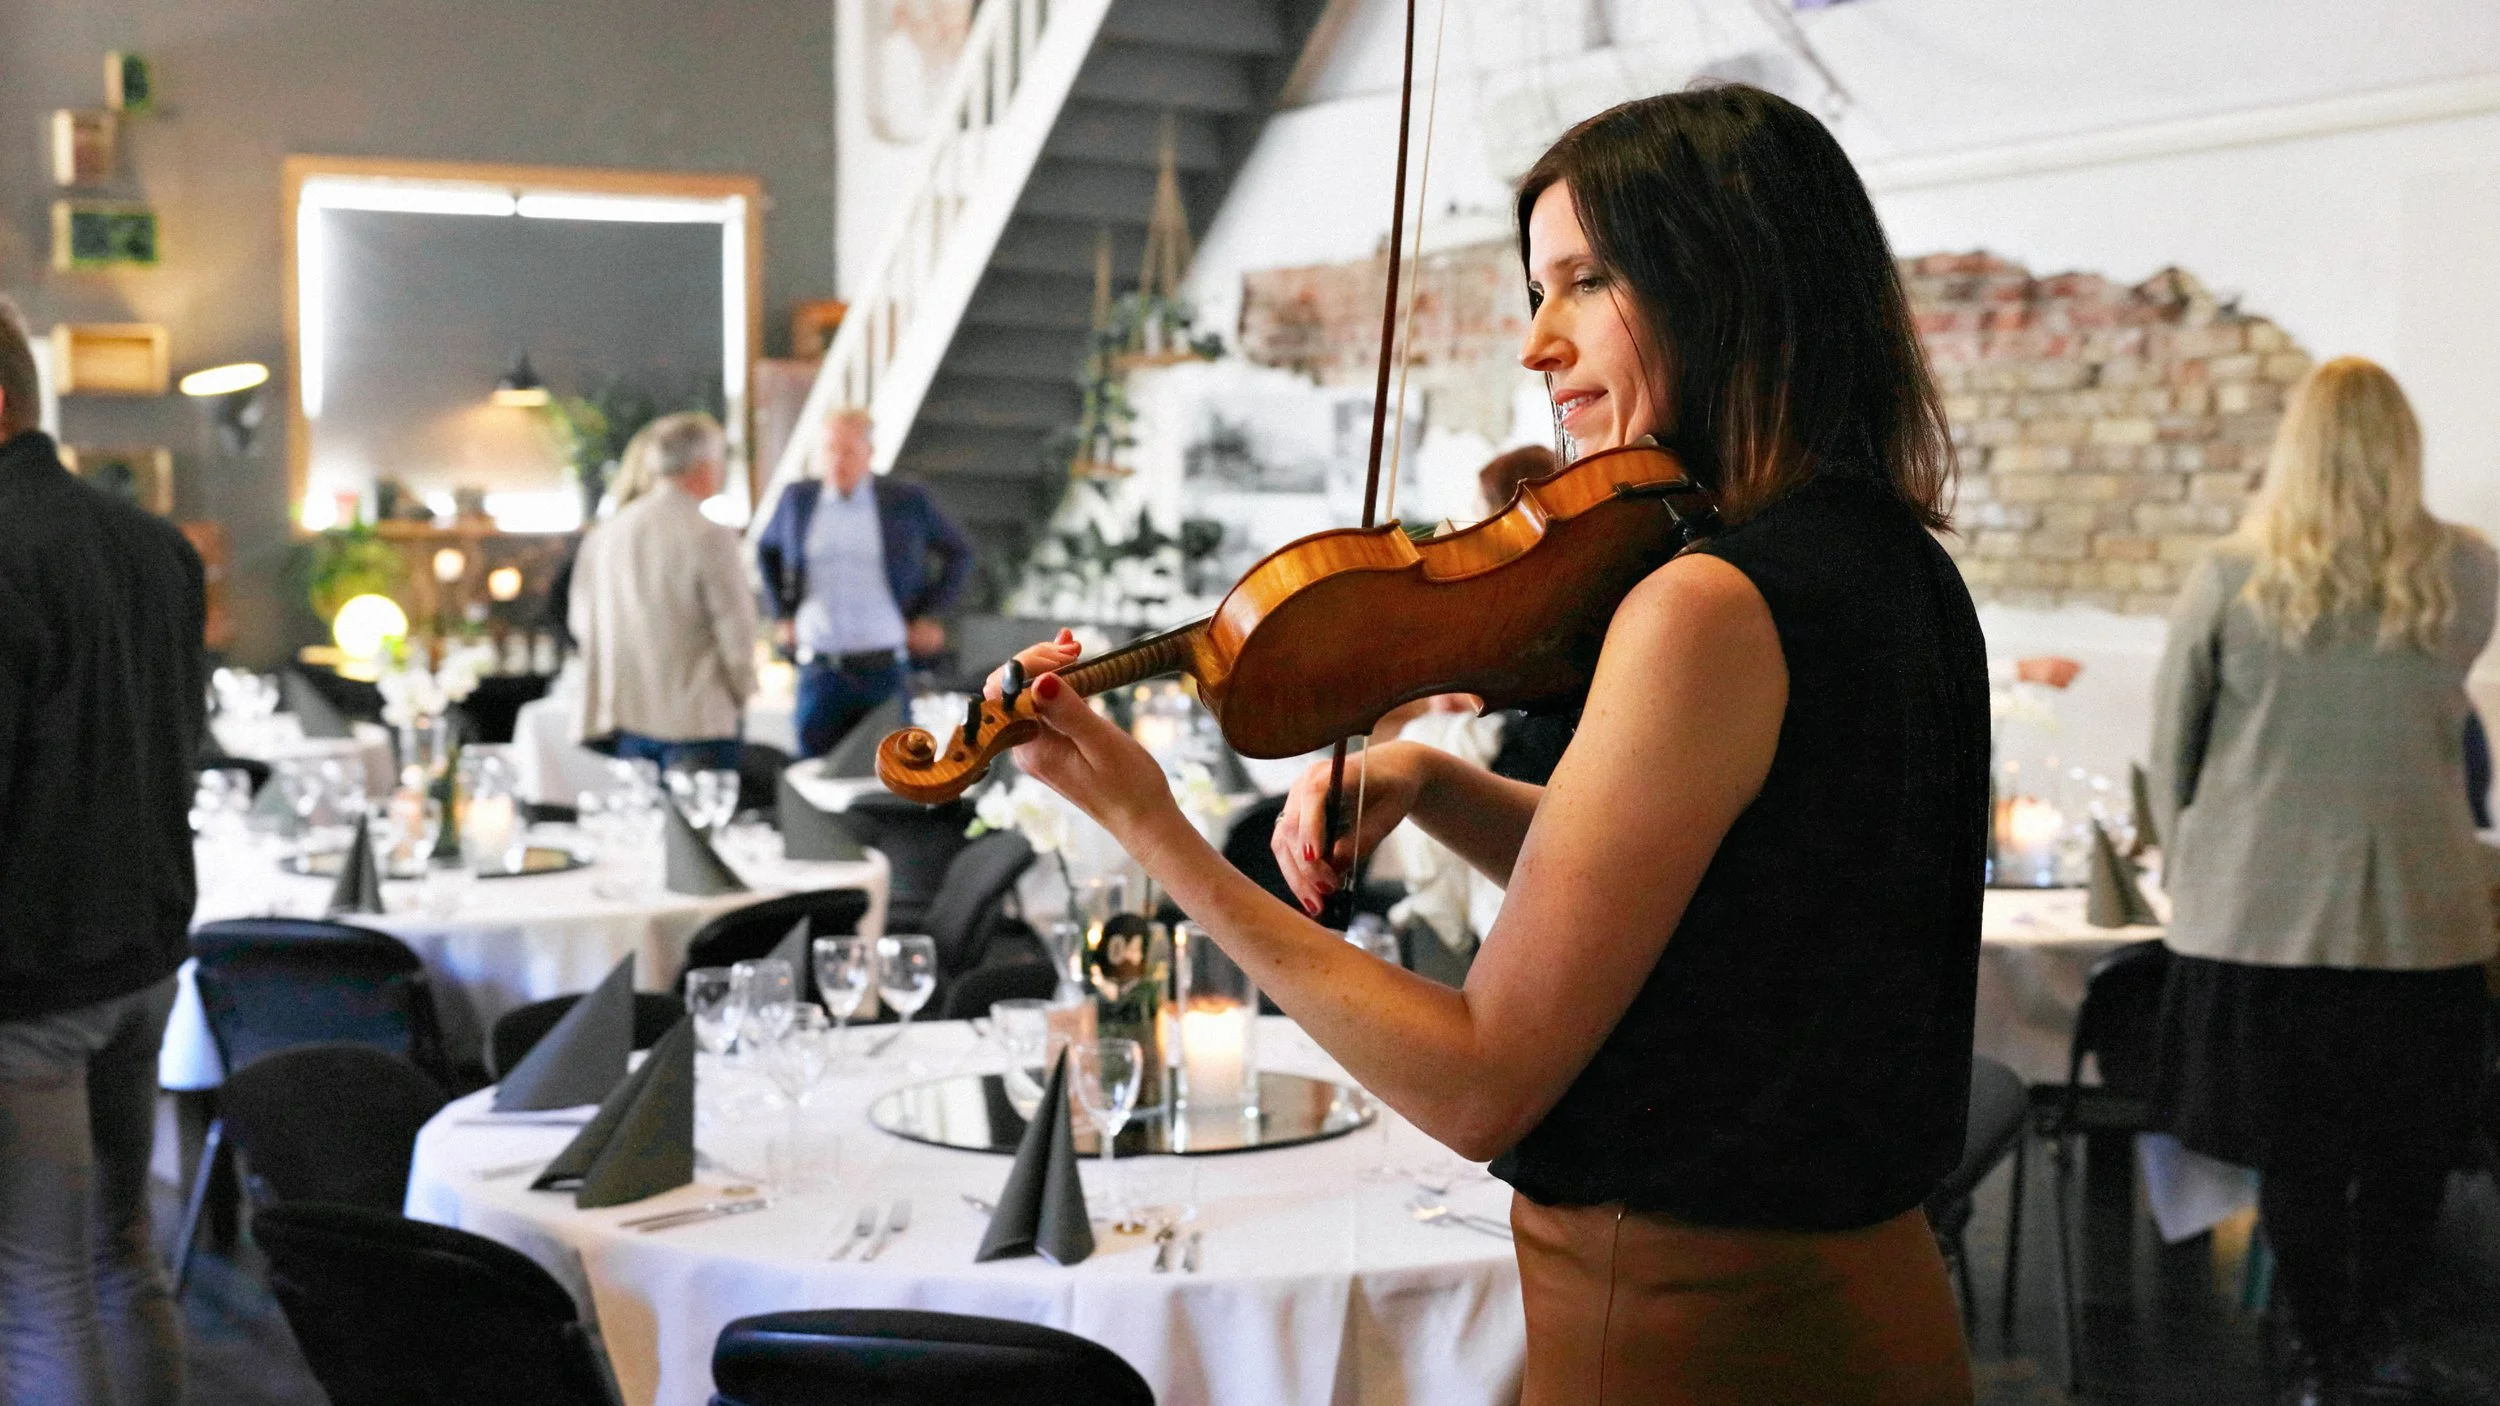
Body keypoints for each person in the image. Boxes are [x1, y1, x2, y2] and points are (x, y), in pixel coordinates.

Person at [996, 87, 1985, 1403]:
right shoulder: (1893, 567)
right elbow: (1733, 897)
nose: (1538, 344)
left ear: (1729, 281)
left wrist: (1154, 831)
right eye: (1537, 289)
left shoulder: (1705, 603)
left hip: (1691, 1328)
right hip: (1873, 1305)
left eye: (1585, 281)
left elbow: (1478, 1081)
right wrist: (1437, 776)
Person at [2149, 358, 2497, 1406]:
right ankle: (2382, 1335)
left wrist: (2191, 868)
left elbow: (2174, 754)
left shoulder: (2228, 575)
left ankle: (2315, 1352)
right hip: (2423, 917)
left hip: (2261, 916)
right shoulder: (2469, 572)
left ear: (2292, 443)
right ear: (2405, 447)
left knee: (2295, 1152)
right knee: (2406, 1148)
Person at [0, 296, 200, 1404]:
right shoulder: (155, 546)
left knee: (35, 1286)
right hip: (146, 959)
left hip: (28, 978)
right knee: (124, 1251)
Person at [755, 407, 973, 757]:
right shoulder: (798, 500)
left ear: (869, 454)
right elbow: (766, 552)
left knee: (894, 770)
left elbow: (959, 553)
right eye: (830, 450)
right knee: (811, 771)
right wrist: (782, 614)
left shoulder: (905, 500)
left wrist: (930, 615)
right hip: (820, 669)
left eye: (848, 451)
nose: (837, 461)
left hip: (884, 668)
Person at [568, 412, 757, 771]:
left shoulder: (606, 533)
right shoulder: (709, 533)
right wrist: (743, 692)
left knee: (642, 823)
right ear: (704, 466)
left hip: (622, 716)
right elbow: (737, 630)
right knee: (700, 821)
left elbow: (581, 622)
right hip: (697, 719)